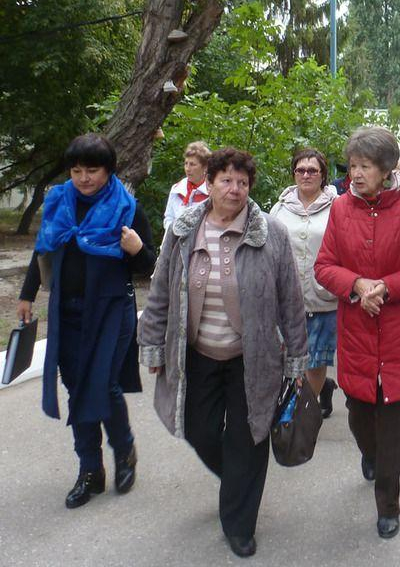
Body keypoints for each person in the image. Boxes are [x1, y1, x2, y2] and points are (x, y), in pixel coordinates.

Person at [137, 147, 308, 559]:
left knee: (250, 436)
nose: (235, 189)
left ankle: (239, 523)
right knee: (199, 429)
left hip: (254, 356)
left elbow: (290, 298)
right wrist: (153, 343)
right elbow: (160, 290)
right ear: (209, 184)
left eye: (243, 182)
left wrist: (297, 359)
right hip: (198, 354)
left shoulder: (270, 233)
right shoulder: (183, 230)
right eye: (226, 180)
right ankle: (237, 482)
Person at [315, 126, 400, 540]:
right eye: (352, 165)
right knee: (359, 416)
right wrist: (356, 286)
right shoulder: (339, 210)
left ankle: (388, 503)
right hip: (356, 333)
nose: (355, 173)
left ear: (387, 169)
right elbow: (324, 266)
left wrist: (386, 287)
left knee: (394, 427)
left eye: (365, 166)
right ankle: (368, 454)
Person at [17, 133, 156, 509]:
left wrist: (137, 248)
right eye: (76, 170)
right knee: (78, 388)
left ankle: (124, 451)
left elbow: (150, 265)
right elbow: (44, 246)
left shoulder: (126, 208)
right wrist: (26, 295)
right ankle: (90, 471)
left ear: (108, 170)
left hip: (111, 310)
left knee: (104, 385)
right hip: (68, 311)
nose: (83, 178)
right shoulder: (60, 201)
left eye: (91, 170)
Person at [270, 148, 339, 418]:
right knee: (287, 358)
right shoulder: (280, 208)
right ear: (294, 173)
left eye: (313, 170)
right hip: (287, 299)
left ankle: (299, 416)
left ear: (323, 175)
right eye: (301, 169)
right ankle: (306, 397)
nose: (306, 174)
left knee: (315, 361)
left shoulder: (338, 207)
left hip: (323, 298)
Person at [162, 141, 211, 229]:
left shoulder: (212, 192)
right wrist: (173, 233)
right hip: (176, 240)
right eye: (186, 163)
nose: (188, 169)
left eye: (192, 164)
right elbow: (169, 217)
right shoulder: (177, 189)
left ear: (205, 167)